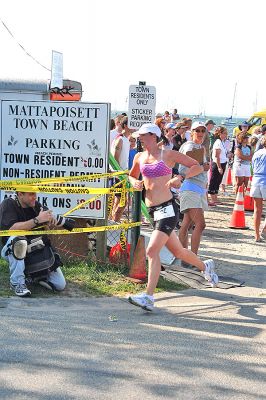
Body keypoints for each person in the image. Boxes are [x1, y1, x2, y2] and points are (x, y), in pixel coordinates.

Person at [127, 123, 218, 312]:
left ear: (153, 136)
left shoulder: (167, 154)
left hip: (168, 209)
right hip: (153, 211)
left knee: (152, 251)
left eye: (143, 136)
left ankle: (148, 297)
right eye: (140, 136)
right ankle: (205, 267)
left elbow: (197, 166)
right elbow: (131, 176)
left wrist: (180, 178)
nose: (140, 139)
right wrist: (134, 182)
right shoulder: (139, 156)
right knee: (178, 253)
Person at [0, 192, 67, 297]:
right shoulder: (8, 203)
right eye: (31, 194)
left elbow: (46, 230)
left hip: (33, 249)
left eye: (35, 194)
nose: (34, 197)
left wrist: (49, 222)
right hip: (12, 249)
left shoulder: (36, 206)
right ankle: (17, 283)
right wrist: (37, 220)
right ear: (20, 194)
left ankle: (33, 276)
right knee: (18, 239)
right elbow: (11, 229)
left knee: (59, 285)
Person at [178, 122, 210, 255]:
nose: (201, 133)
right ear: (191, 132)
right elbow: (186, 171)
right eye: (197, 130)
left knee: (186, 224)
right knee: (200, 224)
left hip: (195, 188)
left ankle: (184, 256)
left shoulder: (198, 147)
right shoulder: (191, 147)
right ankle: (192, 257)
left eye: (203, 130)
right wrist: (203, 167)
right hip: (192, 189)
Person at [110, 116, 133, 221]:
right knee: (122, 202)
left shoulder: (126, 140)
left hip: (123, 175)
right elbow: (115, 157)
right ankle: (115, 222)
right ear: (125, 126)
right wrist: (120, 175)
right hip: (119, 175)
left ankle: (114, 222)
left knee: (119, 202)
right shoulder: (120, 139)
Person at [250, 136, 266, 242]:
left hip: (256, 180)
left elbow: (252, 167)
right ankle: (264, 229)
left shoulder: (257, 153)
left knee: (257, 210)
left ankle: (256, 235)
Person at [208, 126, 229, 205]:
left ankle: (215, 197)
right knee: (214, 181)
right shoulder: (218, 142)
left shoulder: (222, 142)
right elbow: (217, 156)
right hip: (217, 164)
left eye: (226, 133)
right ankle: (213, 199)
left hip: (222, 163)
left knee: (218, 181)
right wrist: (219, 167)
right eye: (224, 133)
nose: (225, 135)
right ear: (219, 134)